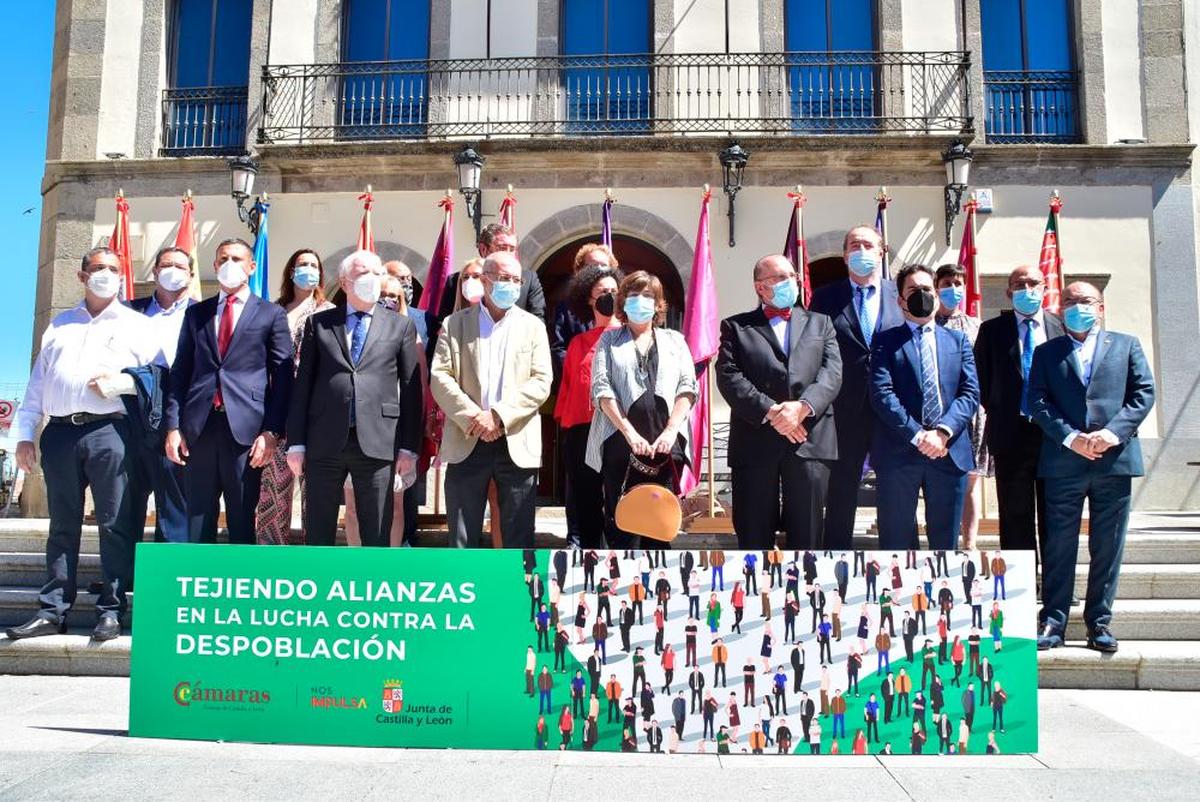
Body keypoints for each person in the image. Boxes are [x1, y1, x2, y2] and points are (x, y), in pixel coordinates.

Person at [6, 247, 158, 642]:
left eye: (112, 269)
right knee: (62, 525)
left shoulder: (137, 325)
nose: (105, 275)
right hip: (59, 433)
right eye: (98, 269)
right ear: (82, 276)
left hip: (110, 431)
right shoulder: (60, 325)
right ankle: (52, 610)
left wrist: (122, 383)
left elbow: (158, 377)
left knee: (114, 523)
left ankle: (111, 610)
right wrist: (24, 435)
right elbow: (38, 384)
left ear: (122, 277)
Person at [1031, 282, 1155, 653]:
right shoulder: (1046, 352)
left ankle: (1098, 623)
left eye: (1084, 301)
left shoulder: (1126, 344)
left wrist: (1111, 434)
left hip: (1112, 462)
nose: (1076, 306)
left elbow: (1142, 393)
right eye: (1068, 301)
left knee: (1108, 546)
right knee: (1058, 546)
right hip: (1063, 462)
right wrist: (1071, 438)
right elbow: (1037, 400)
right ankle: (1053, 621)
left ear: (1100, 307)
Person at [286, 250, 422, 546]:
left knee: (376, 530)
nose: (371, 279)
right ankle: (320, 585)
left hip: (378, 442)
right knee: (319, 529)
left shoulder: (400, 325)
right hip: (325, 440)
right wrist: (296, 442)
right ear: (345, 282)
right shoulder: (319, 324)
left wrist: (410, 448)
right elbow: (303, 387)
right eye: (362, 273)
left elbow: (411, 391)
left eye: (376, 273)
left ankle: (373, 586)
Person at [165, 238, 292, 544]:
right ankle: (198, 584)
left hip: (246, 432)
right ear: (214, 266)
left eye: (237, 258)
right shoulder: (197, 314)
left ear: (251, 267)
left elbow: (284, 376)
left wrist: (272, 432)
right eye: (223, 259)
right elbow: (180, 372)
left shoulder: (270, 314)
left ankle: (238, 587)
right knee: (198, 516)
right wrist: (173, 427)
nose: (229, 264)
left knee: (241, 516)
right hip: (199, 428)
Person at [715, 254, 842, 549]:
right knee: (753, 537)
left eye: (792, 276)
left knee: (808, 537)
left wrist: (801, 408)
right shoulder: (736, 327)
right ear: (760, 287)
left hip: (809, 441)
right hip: (756, 444)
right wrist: (773, 412)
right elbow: (729, 377)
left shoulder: (821, 324)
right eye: (781, 278)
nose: (790, 283)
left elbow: (832, 372)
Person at [430, 251, 552, 547]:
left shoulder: (532, 326)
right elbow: (440, 377)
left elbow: (541, 381)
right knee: (461, 535)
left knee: (518, 534)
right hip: (467, 437)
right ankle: (464, 589)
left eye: (515, 280)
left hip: (515, 439)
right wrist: (476, 418)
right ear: (484, 281)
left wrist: (497, 416)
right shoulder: (454, 324)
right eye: (502, 278)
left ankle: (515, 592)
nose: (510, 285)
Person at [869, 263, 980, 550]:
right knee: (897, 543)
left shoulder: (958, 341)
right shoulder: (884, 342)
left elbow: (970, 393)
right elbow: (882, 394)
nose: (922, 295)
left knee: (945, 546)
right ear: (901, 300)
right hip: (899, 454)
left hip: (948, 452)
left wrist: (942, 432)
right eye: (914, 291)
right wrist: (919, 435)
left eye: (927, 289)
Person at [587, 271, 697, 548]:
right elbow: (601, 389)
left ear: (658, 304)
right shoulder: (609, 341)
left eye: (648, 296)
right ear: (622, 302)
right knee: (622, 525)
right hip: (620, 443)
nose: (641, 301)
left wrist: (671, 431)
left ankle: (656, 584)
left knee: (659, 526)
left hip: (665, 446)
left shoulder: (675, 340)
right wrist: (629, 433)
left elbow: (688, 386)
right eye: (634, 295)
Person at [810, 225, 904, 549]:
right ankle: (835, 558)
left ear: (881, 252)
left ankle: (896, 558)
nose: (861, 250)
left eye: (868, 244)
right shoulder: (825, 297)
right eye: (854, 245)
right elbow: (815, 352)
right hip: (843, 410)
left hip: (892, 410)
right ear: (845, 253)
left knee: (894, 488)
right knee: (841, 490)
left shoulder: (898, 295)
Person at [974, 264, 1066, 551]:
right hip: (1010, 434)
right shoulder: (992, 331)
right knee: (1015, 516)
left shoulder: (1061, 328)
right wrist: (1004, 408)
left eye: (1033, 283)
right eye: (1019, 284)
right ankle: (1024, 586)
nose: (1027, 290)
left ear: (1045, 288)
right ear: (1008, 291)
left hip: (1054, 436)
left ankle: (1057, 587)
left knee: (1055, 516)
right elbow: (981, 379)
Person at [250, 249, 335, 547]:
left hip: (315, 416)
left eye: (314, 265)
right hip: (277, 412)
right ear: (290, 271)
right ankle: (271, 563)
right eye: (302, 264)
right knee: (273, 496)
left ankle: (313, 566)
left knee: (316, 498)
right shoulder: (272, 311)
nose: (308, 270)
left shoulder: (329, 311)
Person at [343, 260, 429, 547]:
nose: (389, 300)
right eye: (383, 295)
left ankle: (391, 567)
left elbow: (416, 388)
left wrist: (411, 441)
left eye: (395, 296)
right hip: (354, 432)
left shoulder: (407, 332)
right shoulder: (353, 328)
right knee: (354, 507)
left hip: (393, 434)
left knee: (394, 505)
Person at [126, 246, 197, 545]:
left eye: (181, 267)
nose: (173, 271)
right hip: (130, 417)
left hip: (177, 418)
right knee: (125, 503)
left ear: (191, 275)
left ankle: (167, 579)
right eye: (167, 265)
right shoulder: (128, 311)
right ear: (154, 271)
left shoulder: (201, 314)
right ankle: (122, 576)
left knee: (174, 505)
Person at [554, 264, 622, 548]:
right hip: (583, 431)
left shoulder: (633, 337)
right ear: (588, 298)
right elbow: (569, 389)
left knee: (620, 504)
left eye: (614, 291)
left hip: (621, 432)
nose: (609, 296)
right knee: (586, 503)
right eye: (602, 292)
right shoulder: (578, 343)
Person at [933, 263, 992, 549]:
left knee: (970, 482)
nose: (953, 289)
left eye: (958, 283)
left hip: (970, 415)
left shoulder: (976, 326)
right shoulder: (928, 323)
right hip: (936, 416)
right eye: (947, 283)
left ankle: (969, 545)